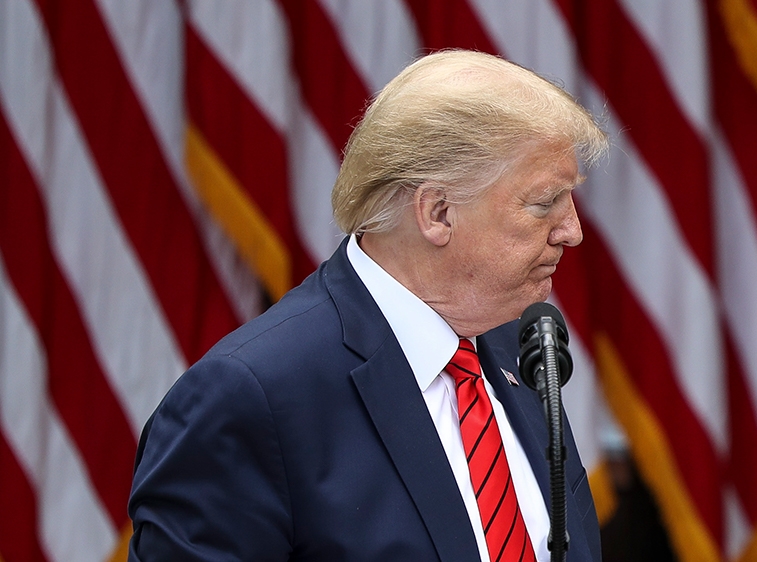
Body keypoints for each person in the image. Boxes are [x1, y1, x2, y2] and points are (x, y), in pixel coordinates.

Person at [127, 49, 609, 562]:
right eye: (544, 202)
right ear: (438, 213)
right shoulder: (247, 398)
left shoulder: (517, 344)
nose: (572, 231)